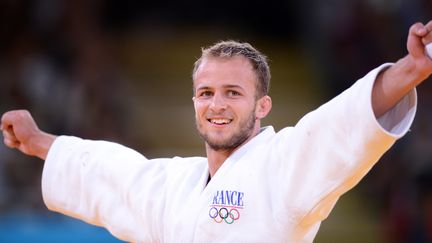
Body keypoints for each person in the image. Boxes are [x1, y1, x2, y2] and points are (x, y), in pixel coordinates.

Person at [1, 21, 432, 242]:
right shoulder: (175, 183)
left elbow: (339, 125)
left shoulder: (281, 169)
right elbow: (114, 173)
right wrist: (39, 142)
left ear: (263, 105)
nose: (217, 105)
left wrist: (411, 69)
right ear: (194, 104)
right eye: (206, 93)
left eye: (232, 92)